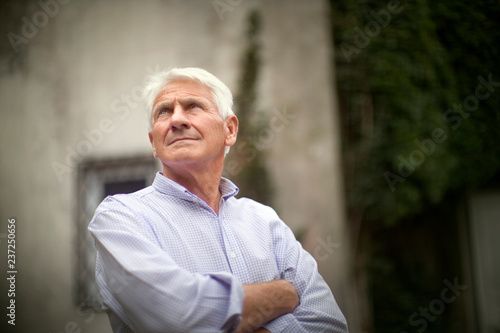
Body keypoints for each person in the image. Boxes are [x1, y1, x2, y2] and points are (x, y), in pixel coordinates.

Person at [88, 67, 348, 333]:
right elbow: (178, 318)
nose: (177, 119)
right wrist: (283, 295)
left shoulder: (265, 221)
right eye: (163, 111)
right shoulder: (120, 217)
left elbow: (330, 324)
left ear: (230, 130)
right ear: (154, 142)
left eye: (193, 106)